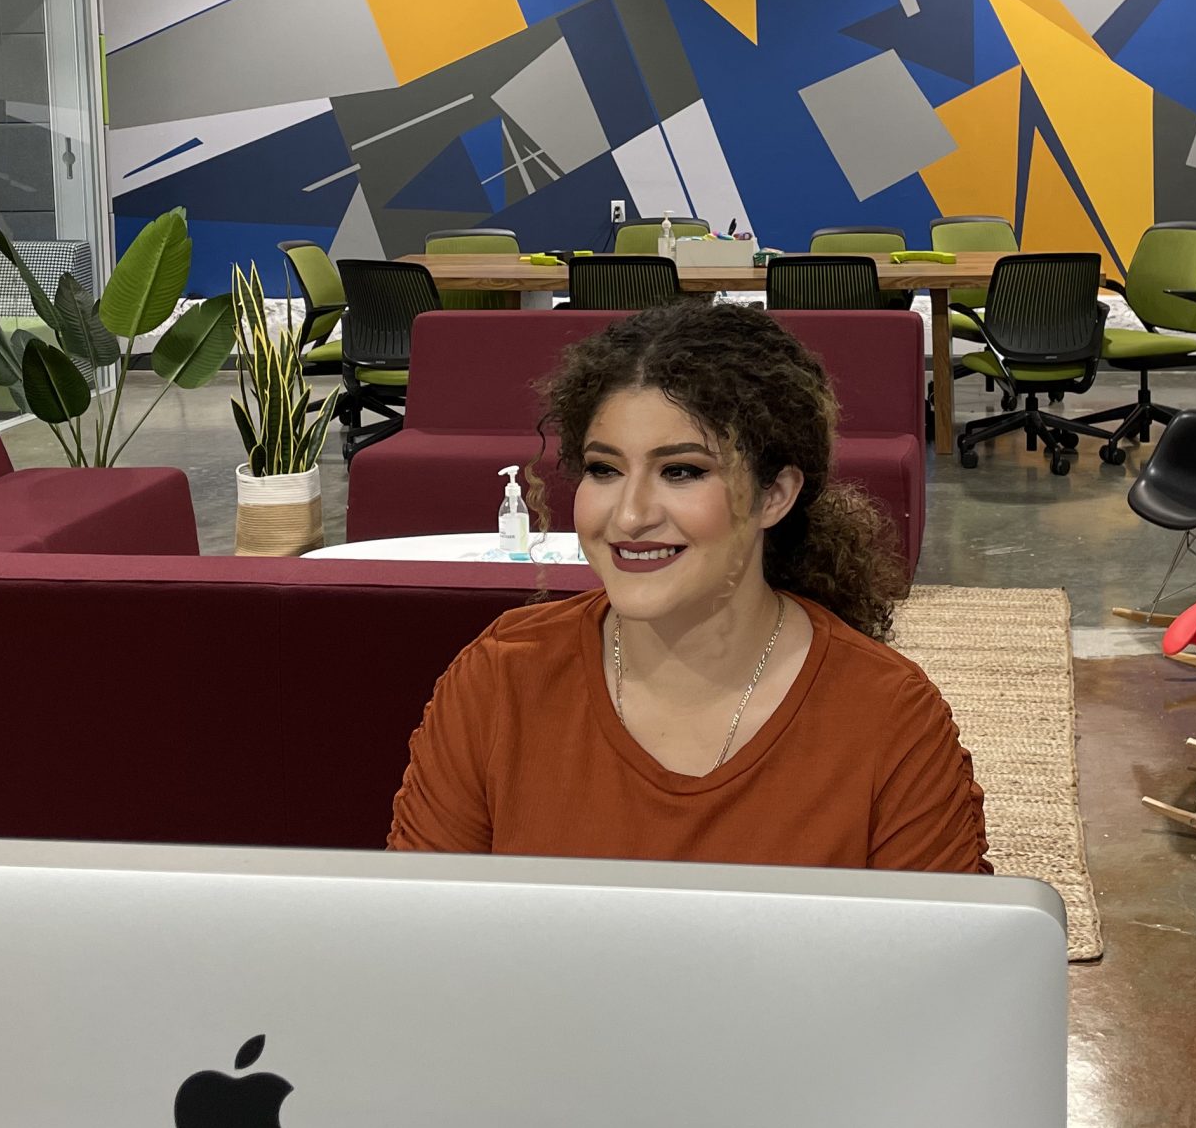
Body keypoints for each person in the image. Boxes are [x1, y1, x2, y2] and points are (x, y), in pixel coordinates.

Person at [387, 303, 989, 873]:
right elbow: (415, 945)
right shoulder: (500, 680)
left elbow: (943, 975)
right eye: (604, 469)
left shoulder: (889, 718)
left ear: (774, 494)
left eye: (682, 471)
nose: (629, 516)